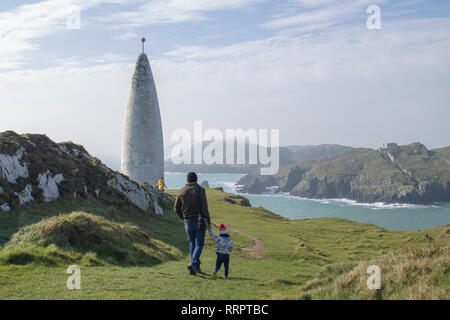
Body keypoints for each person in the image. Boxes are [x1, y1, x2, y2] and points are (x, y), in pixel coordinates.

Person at [174, 172, 211, 275]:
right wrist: (208, 220)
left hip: (187, 222)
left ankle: (196, 268)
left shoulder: (181, 191)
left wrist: (184, 217)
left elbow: (176, 209)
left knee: (192, 244)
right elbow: (204, 208)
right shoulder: (201, 190)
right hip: (200, 221)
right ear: (196, 179)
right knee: (199, 244)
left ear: (187, 180)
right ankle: (193, 264)